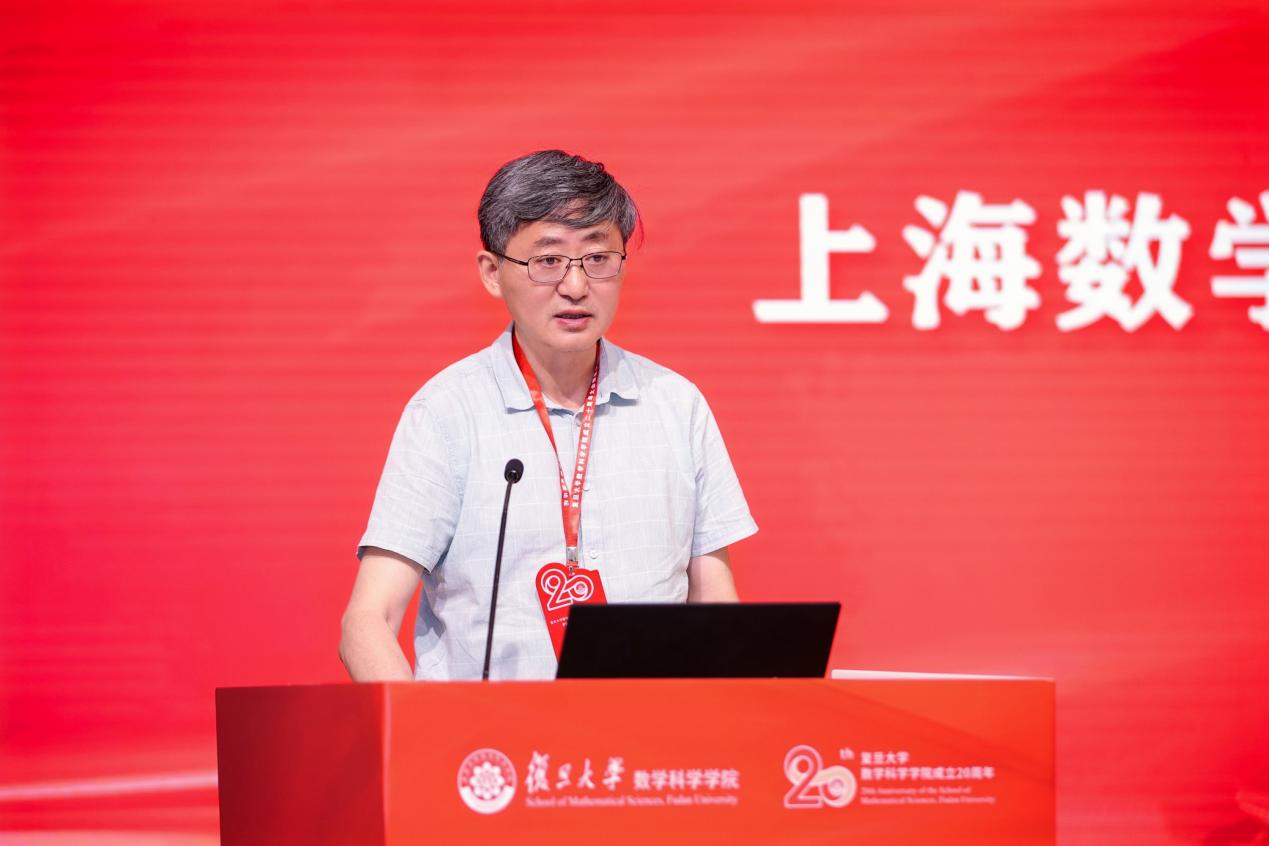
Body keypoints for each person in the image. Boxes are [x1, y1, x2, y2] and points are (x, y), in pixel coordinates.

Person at [339, 150, 757, 681]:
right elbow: (368, 621)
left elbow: (715, 605)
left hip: (649, 726)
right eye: (548, 260)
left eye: (598, 258)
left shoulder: (677, 406)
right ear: (493, 272)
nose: (576, 286)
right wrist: (422, 730)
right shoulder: (447, 413)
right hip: (488, 732)